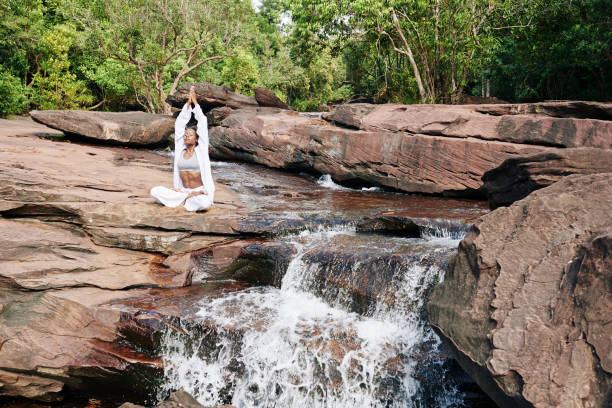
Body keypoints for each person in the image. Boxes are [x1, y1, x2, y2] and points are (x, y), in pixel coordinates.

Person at [150, 86, 215, 211]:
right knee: (154, 191)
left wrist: (195, 104)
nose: (186, 136)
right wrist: (187, 105)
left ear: (196, 139)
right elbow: (179, 124)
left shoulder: (201, 151)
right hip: (181, 191)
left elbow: (202, 122)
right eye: (185, 135)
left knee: (204, 204)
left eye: (190, 135)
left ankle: (186, 199)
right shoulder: (180, 149)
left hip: (199, 192)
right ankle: (185, 198)